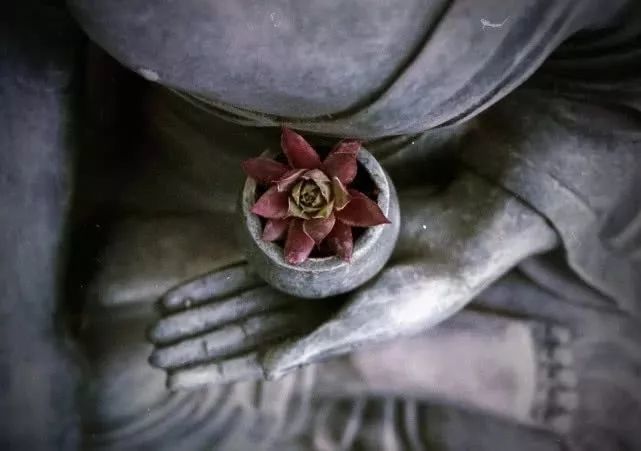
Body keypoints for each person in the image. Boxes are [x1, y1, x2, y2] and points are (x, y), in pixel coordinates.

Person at [2, 0, 641, 449]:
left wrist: (476, 240)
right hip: (213, 204)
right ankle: (338, 365)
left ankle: (355, 363)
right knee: (126, 389)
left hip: (476, 193)